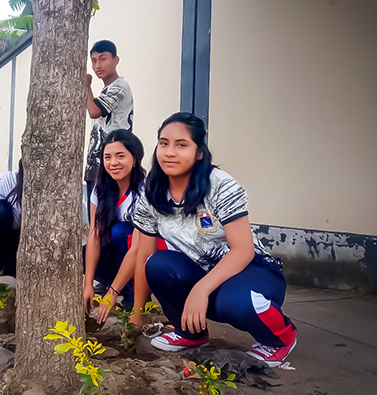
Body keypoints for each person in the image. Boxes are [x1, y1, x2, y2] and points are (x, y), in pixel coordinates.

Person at [131, 112, 297, 367]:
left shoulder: (219, 185)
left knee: (234, 302)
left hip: (253, 271)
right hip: (203, 271)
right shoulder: (152, 193)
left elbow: (243, 250)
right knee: (157, 263)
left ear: (199, 152)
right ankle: (191, 333)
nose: (170, 152)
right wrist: (137, 312)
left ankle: (281, 339)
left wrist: (200, 289)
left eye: (181, 144)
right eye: (163, 143)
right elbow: (143, 255)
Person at [82, 130, 145, 314]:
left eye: (120, 156)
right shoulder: (100, 189)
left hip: (142, 260)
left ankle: (134, 295)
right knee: (83, 252)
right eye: (107, 157)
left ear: (134, 158)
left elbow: (138, 247)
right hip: (118, 257)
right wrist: (88, 285)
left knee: (120, 232)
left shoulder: (144, 191)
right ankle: (110, 282)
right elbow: (94, 234)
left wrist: (112, 293)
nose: (113, 163)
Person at [85, 39, 134, 219]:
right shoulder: (105, 91)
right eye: (94, 60)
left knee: (107, 221)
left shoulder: (120, 86)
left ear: (116, 60)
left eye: (103, 59)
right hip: (97, 162)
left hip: (112, 162)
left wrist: (86, 85)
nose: (97, 65)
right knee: (96, 221)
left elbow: (94, 111)